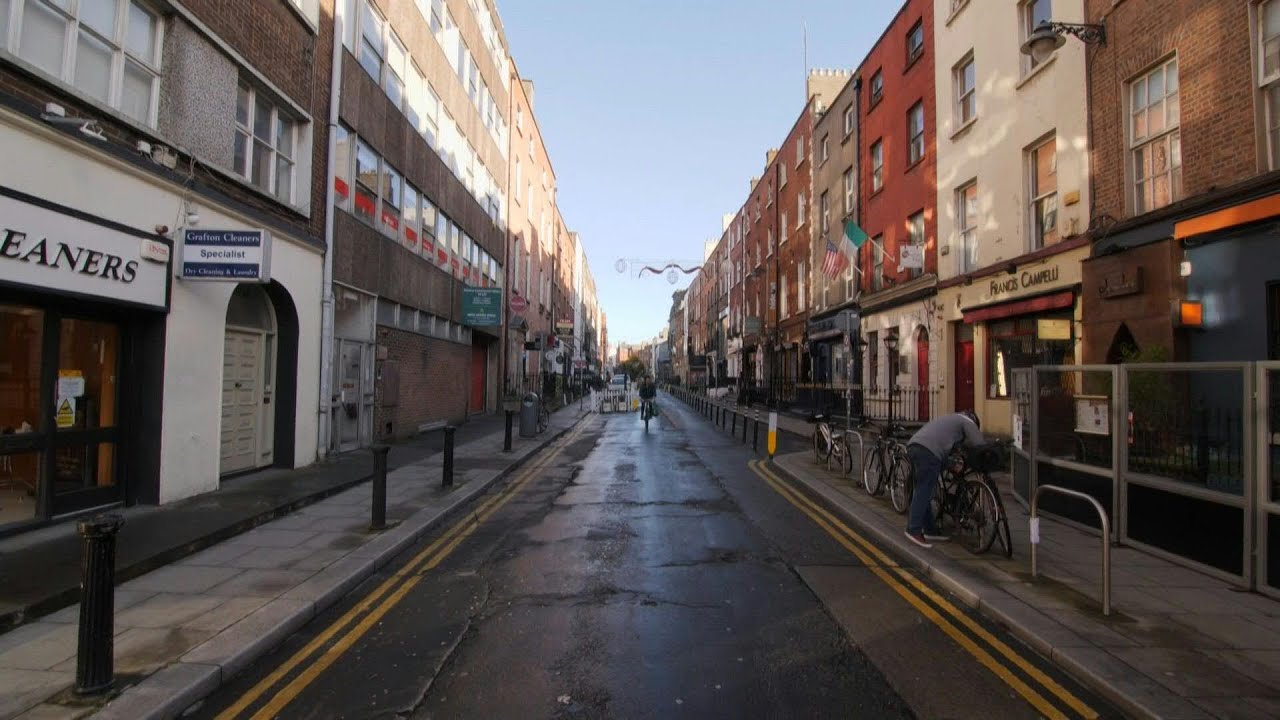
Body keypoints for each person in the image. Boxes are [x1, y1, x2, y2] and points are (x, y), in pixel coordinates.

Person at [904, 410, 985, 549]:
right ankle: (914, 529)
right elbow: (981, 445)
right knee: (924, 490)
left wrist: (952, 464)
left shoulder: (950, 419)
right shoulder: (968, 422)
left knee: (923, 490)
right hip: (928, 451)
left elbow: (946, 447)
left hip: (915, 445)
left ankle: (930, 530)